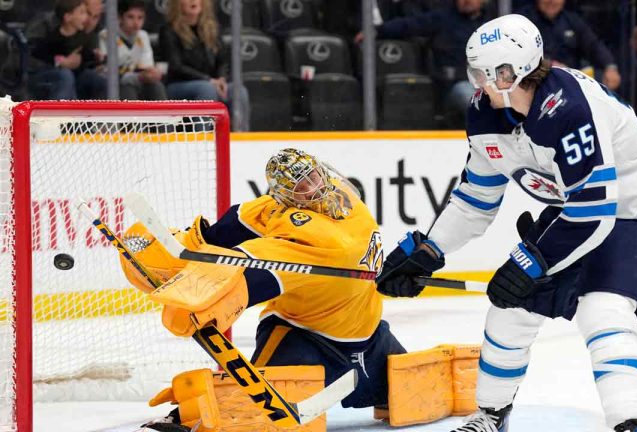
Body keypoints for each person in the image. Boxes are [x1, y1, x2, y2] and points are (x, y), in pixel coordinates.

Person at [376, 14, 637, 432]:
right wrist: (429, 250)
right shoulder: (486, 116)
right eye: (477, 74)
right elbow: (475, 199)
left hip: (635, 206)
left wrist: (534, 260)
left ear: (519, 69)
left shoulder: (569, 106)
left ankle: (629, 420)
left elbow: (593, 210)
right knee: (509, 308)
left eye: (494, 74)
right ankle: (490, 414)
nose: (482, 85)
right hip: (575, 208)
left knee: (604, 311)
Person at [123, 149, 477, 431]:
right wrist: (193, 282)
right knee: (247, 412)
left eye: (313, 175)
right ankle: (189, 411)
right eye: (301, 185)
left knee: (412, 400)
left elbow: (249, 228)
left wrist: (393, 272)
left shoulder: (346, 197)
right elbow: (243, 270)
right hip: (303, 339)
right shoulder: (296, 234)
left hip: (368, 337)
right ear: (284, 197)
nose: (313, 186)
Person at [355, 0, 495, 123]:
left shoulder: (492, 24)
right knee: (469, 96)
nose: (465, 0)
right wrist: (376, 30)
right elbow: (409, 25)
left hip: (489, 84)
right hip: (455, 85)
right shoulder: (444, 18)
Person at [160, 0, 249, 129]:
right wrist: (208, 80)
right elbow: (176, 66)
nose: (193, 1)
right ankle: (203, 141)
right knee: (206, 89)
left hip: (211, 83)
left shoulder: (212, 28)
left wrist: (221, 79)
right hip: (178, 85)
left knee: (239, 91)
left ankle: (240, 139)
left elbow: (222, 60)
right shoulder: (168, 31)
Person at [518, 0, 621, 91]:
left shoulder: (572, 20)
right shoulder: (523, 20)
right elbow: (518, 52)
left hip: (569, 84)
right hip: (534, 83)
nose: (552, 1)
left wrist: (610, 67)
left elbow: (594, 45)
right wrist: (549, 64)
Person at [27, 0, 107, 100]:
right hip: (44, 75)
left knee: (98, 79)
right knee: (65, 76)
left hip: (75, 75)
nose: (88, 20)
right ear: (68, 16)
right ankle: (59, 113)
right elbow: (35, 52)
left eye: (96, 17)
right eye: (85, 13)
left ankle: (101, 113)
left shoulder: (86, 34)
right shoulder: (49, 29)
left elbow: (86, 55)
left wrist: (96, 59)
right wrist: (61, 61)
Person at [99, 0, 167, 100]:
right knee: (127, 88)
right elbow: (104, 72)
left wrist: (152, 73)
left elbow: (146, 66)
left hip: (138, 81)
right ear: (120, 17)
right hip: (114, 85)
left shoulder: (143, 36)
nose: (136, 23)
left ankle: (163, 115)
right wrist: (137, 77)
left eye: (140, 18)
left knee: (156, 86)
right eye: (130, 17)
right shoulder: (106, 35)